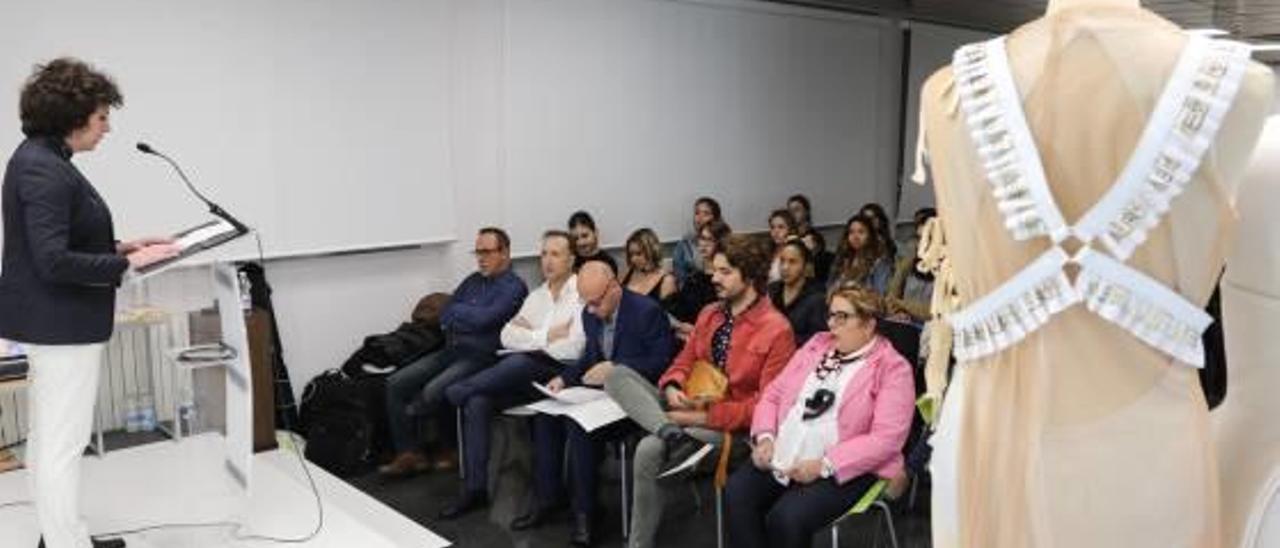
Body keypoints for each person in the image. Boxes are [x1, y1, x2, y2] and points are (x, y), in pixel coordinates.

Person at [0, 58, 180, 548]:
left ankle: (61, 535)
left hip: (52, 322)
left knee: (48, 439)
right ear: (72, 117)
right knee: (61, 444)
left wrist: (124, 247)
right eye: (102, 117)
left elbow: (62, 242)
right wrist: (129, 266)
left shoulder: (42, 159)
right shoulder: (44, 169)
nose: (107, 128)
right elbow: (54, 261)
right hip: (60, 325)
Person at [605, 233, 796, 548]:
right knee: (617, 376)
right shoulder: (710, 313)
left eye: (724, 271)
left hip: (732, 428)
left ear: (749, 276)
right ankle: (667, 429)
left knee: (647, 449)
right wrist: (672, 385)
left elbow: (766, 407)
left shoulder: (777, 329)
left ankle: (638, 541)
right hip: (685, 409)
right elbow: (683, 360)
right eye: (714, 269)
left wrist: (699, 417)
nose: (713, 277)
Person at [725, 285, 915, 548]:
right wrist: (766, 437)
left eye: (842, 317)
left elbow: (886, 440)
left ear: (869, 325)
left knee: (787, 518)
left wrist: (824, 465)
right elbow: (773, 394)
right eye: (831, 315)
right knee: (738, 492)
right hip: (787, 449)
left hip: (846, 466)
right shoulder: (817, 346)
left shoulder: (893, 368)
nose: (831, 324)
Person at [517, 258, 674, 546]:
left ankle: (586, 514)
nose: (590, 310)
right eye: (585, 302)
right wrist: (564, 379)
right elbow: (590, 357)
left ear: (614, 287)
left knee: (579, 428)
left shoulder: (647, 312)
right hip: (601, 398)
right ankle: (549, 499)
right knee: (545, 417)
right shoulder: (591, 313)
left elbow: (662, 363)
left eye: (595, 302)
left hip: (638, 400)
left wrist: (616, 367)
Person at [438, 230, 586, 518]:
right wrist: (546, 335)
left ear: (571, 259)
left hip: (563, 375)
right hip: (529, 373)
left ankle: (457, 390)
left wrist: (532, 337)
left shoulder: (580, 293)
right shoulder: (538, 296)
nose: (547, 261)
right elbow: (507, 335)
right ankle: (475, 489)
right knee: (478, 401)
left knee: (518, 363)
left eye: (555, 254)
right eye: (544, 254)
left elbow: (574, 347)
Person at [380, 227, 527, 478]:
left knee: (434, 390)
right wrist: (466, 317)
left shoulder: (514, 287)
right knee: (395, 383)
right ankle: (409, 453)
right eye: (477, 252)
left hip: (483, 356)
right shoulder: (472, 280)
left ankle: (447, 447)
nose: (481, 258)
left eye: (487, 252)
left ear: (505, 253)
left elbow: (486, 319)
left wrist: (463, 316)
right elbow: (445, 313)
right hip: (452, 349)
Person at [666, 219, 731, 342]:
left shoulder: (726, 279)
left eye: (709, 239)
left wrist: (694, 331)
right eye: (701, 238)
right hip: (686, 334)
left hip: (711, 339)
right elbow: (680, 308)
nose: (703, 244)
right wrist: (679, 326)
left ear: (722, 242)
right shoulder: (695, 276)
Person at [766, 239, 827, 346]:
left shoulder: (818, 297)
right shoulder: (772, 290)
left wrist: (780, 339)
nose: (785, 267)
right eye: (782, 261)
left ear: (805, 265)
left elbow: (818, 339)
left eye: (792, 262)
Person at [884, 209, 937, 325]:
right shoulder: (911, 259)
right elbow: (891, 295)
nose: (922, 244)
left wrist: (902, 304)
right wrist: (895, 310)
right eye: (920, 239)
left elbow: (934, 311)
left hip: (931, 328)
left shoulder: (948, 267)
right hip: (905, 322)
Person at [830, 214, 892, 295]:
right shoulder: (844, 259)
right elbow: (830, 286)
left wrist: (854, 288)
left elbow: (880, 293)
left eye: (861, 232)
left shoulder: (880, 262)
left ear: (870, 235)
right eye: (851, 232)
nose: (855, 237)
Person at [672, 197, 720, 288]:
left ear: (716, 217)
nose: (700, 218)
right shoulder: (684, 244)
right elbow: (680, 280)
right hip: (693, 293)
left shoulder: (724, 240)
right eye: (697, 213)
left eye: (706, 213)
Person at [621, 228, 676, 304]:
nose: (633, 259)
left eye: (638, 254)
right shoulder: (628, 273)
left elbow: (666, 314)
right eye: (631, 254)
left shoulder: (666, 281)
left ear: (652, 252)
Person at [767, 209, 798, 283]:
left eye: (781, 227)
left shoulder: (796, 251)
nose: (776, 231)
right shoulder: (768, 251)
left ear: (790, 229)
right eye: (772, 227)